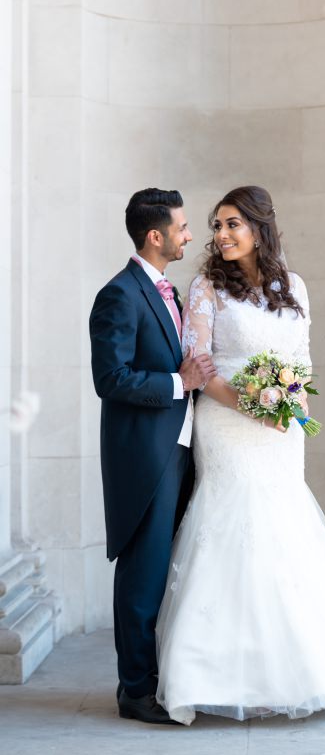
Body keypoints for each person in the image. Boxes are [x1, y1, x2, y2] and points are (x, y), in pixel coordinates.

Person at [153, 185, 325, 724]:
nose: (220, 235)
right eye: (216, 226)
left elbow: (302, 360)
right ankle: (211, 675)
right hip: (226, 423)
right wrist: (249, 404)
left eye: (232, 224)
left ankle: (295, 673)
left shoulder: (295, 288)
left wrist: (291, 408)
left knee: (284, 526)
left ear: (261, 228)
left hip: (281, 431)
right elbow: (198, 362)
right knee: (232, 521)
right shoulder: (205, 287)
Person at [89, 188, 217, 724]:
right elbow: (110, 379)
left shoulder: (170, 291)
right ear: (155, 236)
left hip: (183, 447)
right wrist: (176, 381)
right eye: (183, 227)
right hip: (146, 458)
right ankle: (135, 692)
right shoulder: (118, 294)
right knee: (142, 577)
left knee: (166, 572)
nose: (190, 235)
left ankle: (159, 678)